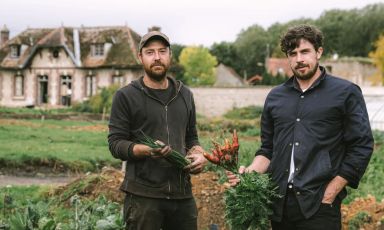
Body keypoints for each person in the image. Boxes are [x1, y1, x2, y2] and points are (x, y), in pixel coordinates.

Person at [227, 24, 374, 230]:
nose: (299, 59)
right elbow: (268, 149)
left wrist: (332, 190)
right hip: (279, 203)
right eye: (292, 53)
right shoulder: (276, 97)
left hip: (320, 204)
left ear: (319, 52)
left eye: (305, 51)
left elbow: (362, 145)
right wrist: (249, 174)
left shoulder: (345, 92)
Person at [108, 30, 207, 230]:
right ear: (140, 57)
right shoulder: (126, 96)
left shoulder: (185, 94)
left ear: (170, 55)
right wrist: (147, 150)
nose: (157, 57)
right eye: (150, 52)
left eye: (162, 51)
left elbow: (191, 137)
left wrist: (199, 155)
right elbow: (116, 144)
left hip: (182, 195)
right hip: (144, 197)